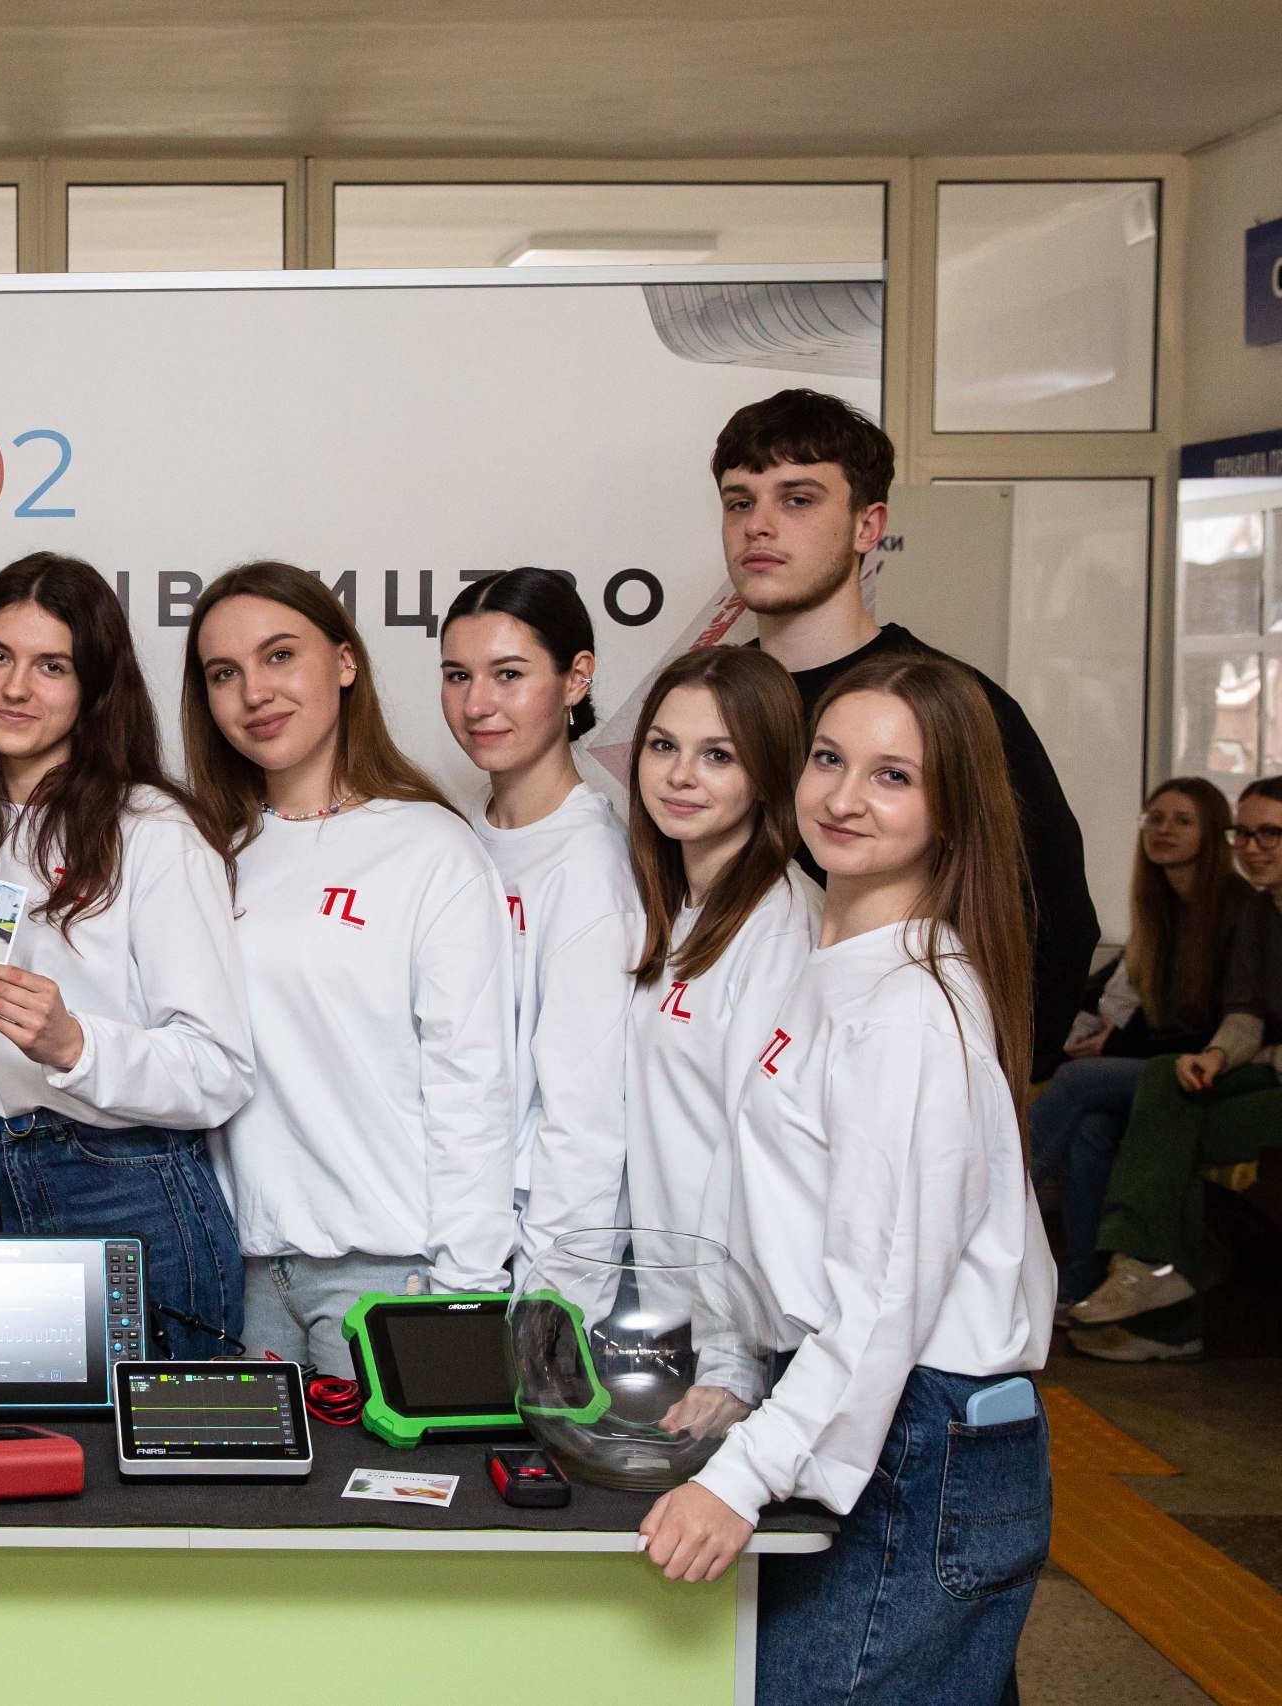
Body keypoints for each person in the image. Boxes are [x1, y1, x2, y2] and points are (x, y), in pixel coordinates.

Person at [641, 652, 1055, 1706]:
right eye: (829, 758)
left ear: (952, 810)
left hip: (919, 1430)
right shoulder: (832, 969)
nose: (841, 796)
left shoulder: (909, 1011)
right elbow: (767, 1203)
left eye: (892, 776)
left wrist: (741, 1477)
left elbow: (881, 1299)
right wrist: (739, 1368)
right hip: (871, 1409)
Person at [184, 562, 515, 1375]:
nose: (254, 693)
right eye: (224, 673)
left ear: (344, 662)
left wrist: (468, 1292)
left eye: (279, 656)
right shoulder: (205, 854)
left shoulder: (429, 848)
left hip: (389, 1276)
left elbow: (472, 1087)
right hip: (244, 1275)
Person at [713, 388, 1099, 1081]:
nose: (758, 526)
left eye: (797, 499)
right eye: (740, 502)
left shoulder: (948, 706)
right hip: (719, 1079)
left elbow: (1053, 925)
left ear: (868, 526)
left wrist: (967, 1087)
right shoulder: (708, 702)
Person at [0, 553, 253, 1359]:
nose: (15, 688)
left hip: (122, 1186)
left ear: (94, 687)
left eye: (52, 666)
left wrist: (76, 1044)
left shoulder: (154, 833)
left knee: (154, 1442)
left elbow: (219, 1069)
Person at [439, 567, 644, 1270]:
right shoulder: (454, 835)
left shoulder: (590, 864)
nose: (477, 704)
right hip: (447, 1226)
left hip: (525, 1252)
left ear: (576, 678)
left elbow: (584, 1121)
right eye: (458, 676)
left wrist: (549, 1305)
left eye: (509, 674)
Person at [1062, 775, 1282, 1362]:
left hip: (1273, 1078)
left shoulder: (1236, 908)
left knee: (1164, 1119)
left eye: (1270, 834)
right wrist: (1216, 1056)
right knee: (1163, 1088)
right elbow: (1244, 1014)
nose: (1252, 848)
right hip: (1257, 1072)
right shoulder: (1262, 911)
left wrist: (1256, 1055)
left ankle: (1164, 1308)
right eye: (1244, 834)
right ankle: (1141, 1277)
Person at [622, 646, 819, 1244]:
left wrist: (719, 1303)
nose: (680, 775)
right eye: (663, 746)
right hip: (657, 1272)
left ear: (767, 775)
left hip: (722, 1286)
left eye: (718, 755)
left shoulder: (782, 925)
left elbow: (766, 1151)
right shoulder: (666, 902)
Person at [1031, 778, 1247, 1304]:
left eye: (1182, 821)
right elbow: (1128, 1003)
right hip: (1163, 1066)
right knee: (1093, 1131)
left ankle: (991, 1203)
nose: (1163, 830)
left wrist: (1110, 1046)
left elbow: (1210, 1027)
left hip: (1221, 1069)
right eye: (1155, 818)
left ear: (1213, 833)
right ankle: (1081, 1286)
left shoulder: (1237, 910)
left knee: (1076, 1080)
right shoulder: (1161, 908)